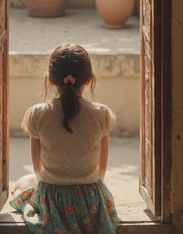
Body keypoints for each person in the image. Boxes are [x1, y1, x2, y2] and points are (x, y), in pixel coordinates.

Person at [10, 44, 119, 233]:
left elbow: (38, 168)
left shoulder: (37, 114)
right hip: (90, 200)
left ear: (51, 80)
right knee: (28, 181)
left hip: (54, 201)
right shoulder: (101, 114)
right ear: (88, 80)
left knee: (23, 183)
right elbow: (101, 170)